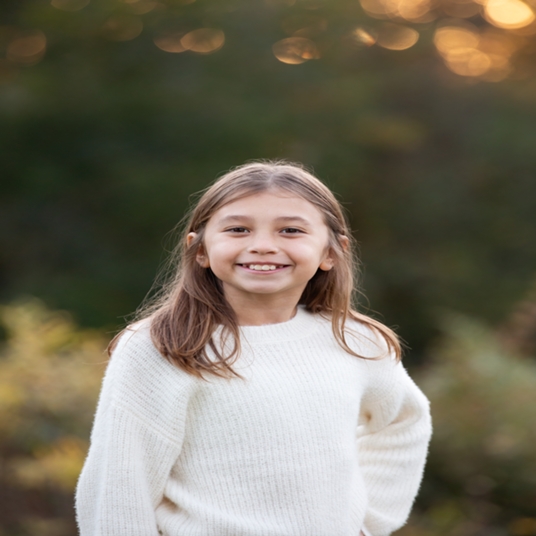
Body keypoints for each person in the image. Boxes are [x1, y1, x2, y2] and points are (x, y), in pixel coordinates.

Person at [75, 161, 432, 536]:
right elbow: (118, 486)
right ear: (200, 250)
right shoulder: (162, 347)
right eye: (238, 229)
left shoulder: (356, 342)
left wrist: (369, 523)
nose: (262, 246)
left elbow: (403, 421)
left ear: (332, 252)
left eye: (291, 230)